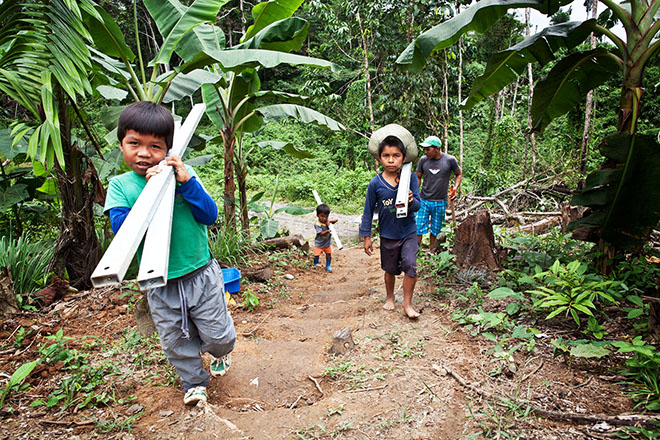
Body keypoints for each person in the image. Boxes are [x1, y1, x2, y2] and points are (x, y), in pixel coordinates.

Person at [104, 101, 236, 406]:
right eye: (134, 143)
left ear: (168, 149)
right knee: (176, 340)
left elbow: (209, 215)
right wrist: (150, 195)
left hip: (199, 272)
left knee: (218, 334)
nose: (144, 153)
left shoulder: (183, 175)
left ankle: (220, 350)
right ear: (121, 144)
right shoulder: (120, 187)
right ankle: (194, 383)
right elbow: (123, 233)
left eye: (155, 146)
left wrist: (183, 183)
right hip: (159, 283)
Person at [360, 134, 421, 319]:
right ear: (380, 158)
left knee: (411, 265)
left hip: (408, 231)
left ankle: (407, 304)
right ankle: (389, 298)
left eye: (396, 155)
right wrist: (367, 236)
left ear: (403, 157)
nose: (391, 160)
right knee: (390, 269)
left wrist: (411, 201)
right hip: (388, 234)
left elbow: (418, 204)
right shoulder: (375, 183)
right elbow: (368, 211)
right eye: (386, 156)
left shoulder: (409, 178)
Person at [415, 135, 462, 249]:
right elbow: (418, 176)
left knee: (436, 230)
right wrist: (416, 192)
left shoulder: (450, 160)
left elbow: (458, 174)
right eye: (424, 149)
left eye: (428, 149)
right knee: (417, 228)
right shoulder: (423, 160)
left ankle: (432, 253)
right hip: (423, 200)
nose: (425, 152)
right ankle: (415, 252)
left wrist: (455, 188)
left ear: (437, 149)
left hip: (440, 201)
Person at [313, 204, 338, 272]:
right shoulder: (317, 224)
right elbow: (321, 233)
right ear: (317, 215)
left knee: (329, 254)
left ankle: (328, 265)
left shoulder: (327, 221)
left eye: (326, 216)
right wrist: (327, 231)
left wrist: (330, 221)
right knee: (316, 255)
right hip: (319, 244)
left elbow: (336, 219)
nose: (324, 218)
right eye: (322, 216)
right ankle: (315, 264)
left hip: (327, 243)